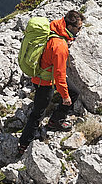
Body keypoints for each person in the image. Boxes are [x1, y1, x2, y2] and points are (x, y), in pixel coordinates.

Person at [18, 9, 85, 155]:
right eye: (78, 28)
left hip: (44, 73)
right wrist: (64, 96)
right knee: (38, 112)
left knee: (75, 92)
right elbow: (59, 74)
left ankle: (56, 121)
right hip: (44, 80)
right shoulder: (60, 46)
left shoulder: (55, 26)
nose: (80, 30)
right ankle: (24, 143)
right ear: (70, 26)